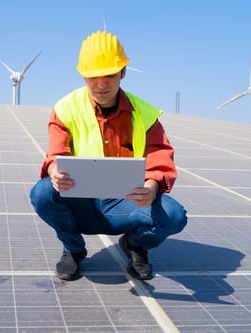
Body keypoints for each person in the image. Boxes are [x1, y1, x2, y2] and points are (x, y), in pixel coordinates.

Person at [30, 30, 187, 281]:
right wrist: (54, 172)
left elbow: (159, 154)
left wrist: (152, 186)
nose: (101, 85)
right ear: (83, 75)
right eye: (93, 77)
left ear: (123, 72)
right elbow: (55, 154)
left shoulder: (144, 114)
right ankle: (73, 249)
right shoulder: (65, 109)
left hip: (127, 203)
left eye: (110, 75)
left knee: (175, 217)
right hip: (81, 204)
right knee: (42, 192)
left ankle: (134, 243)